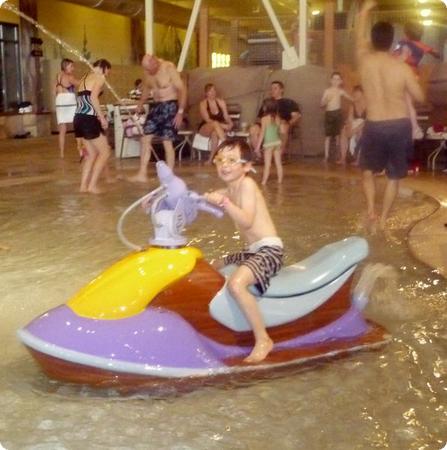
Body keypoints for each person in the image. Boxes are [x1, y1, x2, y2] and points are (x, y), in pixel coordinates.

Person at [204, 139, 284, 363]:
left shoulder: (248, 184)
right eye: (220, 159)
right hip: (252, 251)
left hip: (270, 251)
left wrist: (224, 202)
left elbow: (247, 221)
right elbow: (201, 198)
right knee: (213, 265)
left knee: (236, 284)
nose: (224, 165)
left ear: (247, 166)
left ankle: (263, 339)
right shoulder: (229, 188)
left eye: (232, 160)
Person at [355, 0, 424, 232]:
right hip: (398, 124)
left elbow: (358, 37)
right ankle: (384, 219)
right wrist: (408, 73)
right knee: (394, 176)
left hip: (374, 124)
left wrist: (365, 11)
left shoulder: (364, 61)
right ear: (392, 41)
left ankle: (371, 210)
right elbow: (420, 96)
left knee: (367, 172)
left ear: (372, 40)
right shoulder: (401, 68)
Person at [129, 54, 187, 182]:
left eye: (150, 69)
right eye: (146, 70)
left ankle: (169, 176)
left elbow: (182, 90)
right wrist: (139, 105)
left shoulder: (168, 68)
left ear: (155, 62)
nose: (148, 72)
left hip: (170, 106)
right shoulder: (148, 72)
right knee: (145, 138)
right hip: (156, 107)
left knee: (167, 141)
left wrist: (180, 112)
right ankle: (142, 174)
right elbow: (145, 90)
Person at [394, 21, 441, 139]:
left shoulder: (403, 43)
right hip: (413, 76)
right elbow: (436, 53)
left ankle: (414, 129)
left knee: (407, 103)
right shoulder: (420, 45)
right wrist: (433, 53)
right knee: (406, 103)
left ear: (406, 33)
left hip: (404, 76)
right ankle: (412, 129)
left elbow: (399, 58)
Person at [73, 59, 112, 194]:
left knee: (91, 154)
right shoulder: (99, 77)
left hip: (78, 118)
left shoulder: (85, 77)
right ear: (103, 68)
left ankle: (83, 186)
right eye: (107, 72)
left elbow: (84, 99)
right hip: (88, 119)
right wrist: (102, 118)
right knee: (105, 152)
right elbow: (94, 98)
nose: (106, 76)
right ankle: (92, 186)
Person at [249, 81, 301, 157]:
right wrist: (265, 122)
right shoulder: (267, 102)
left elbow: (296, 116)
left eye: (275, 88)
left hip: (280, 125)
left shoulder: (289, 102)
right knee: (253, 128)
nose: (272, 90)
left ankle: (279, 155)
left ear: (282, 90)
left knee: (283, 127)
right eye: (271, 89)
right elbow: (258, 118)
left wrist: (288, 123)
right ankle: (260, 156)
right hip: (266, 125)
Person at [320, 72, 352, 162]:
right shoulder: (327, 91)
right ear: (330, 80)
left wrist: (357, 99)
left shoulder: (340, 91)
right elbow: (321, 104)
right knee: (328, 136)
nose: (335, 81)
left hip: (337, 113)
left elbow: (350, 98)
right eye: (334, 79)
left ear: (340, 81)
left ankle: (338, 155)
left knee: (338, 135)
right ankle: (326, 156)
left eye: (338, 79)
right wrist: (326, 101)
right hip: (329, 114)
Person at [198, 83, 233, 164]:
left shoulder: (221, 102)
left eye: (214, 90)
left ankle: (211, 159)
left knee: (215, 134)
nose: (213, 92)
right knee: (215, 123)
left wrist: (230, 123)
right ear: (206, 93)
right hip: (205, 128)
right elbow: (207, 120)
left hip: (218, 129)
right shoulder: (203, 104)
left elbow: (226, 116)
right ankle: (226, 146)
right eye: (210, 91)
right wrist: (224, 126)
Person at [55, 58, 81, 159]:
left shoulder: (58, 76)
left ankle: (61, 153)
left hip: (59, 102)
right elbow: (79, 83)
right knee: (77, 126)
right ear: (65, 66)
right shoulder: (70, 77)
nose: (73, 68)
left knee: (62, 129)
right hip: (69, 102)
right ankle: (80, 151)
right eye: (71, 66)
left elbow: (55, 89)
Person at [254, 98, 283, 185]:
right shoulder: (278, 118)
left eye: (264, 106)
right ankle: (280, 181)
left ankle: (264, 181)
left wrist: (257, 147)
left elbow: (262, 133)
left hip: (269, 143)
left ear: (266, 107)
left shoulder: (264, 119)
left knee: (267, 164)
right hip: (277, 142)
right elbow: (279, 131)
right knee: (278, 163)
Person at [338, 85, 366, 165]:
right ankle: (343, 158)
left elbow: (367, 121)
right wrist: (349, 128)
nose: (355, 95)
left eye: (357, 93)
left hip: (366, 126)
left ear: (362, 94)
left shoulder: (368, 105)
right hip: (355, 125)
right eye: (354, 93)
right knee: (343, 131)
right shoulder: (352, 105)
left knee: (360, 133)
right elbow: (350, 119)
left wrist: (354, 130)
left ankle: (358, 159)